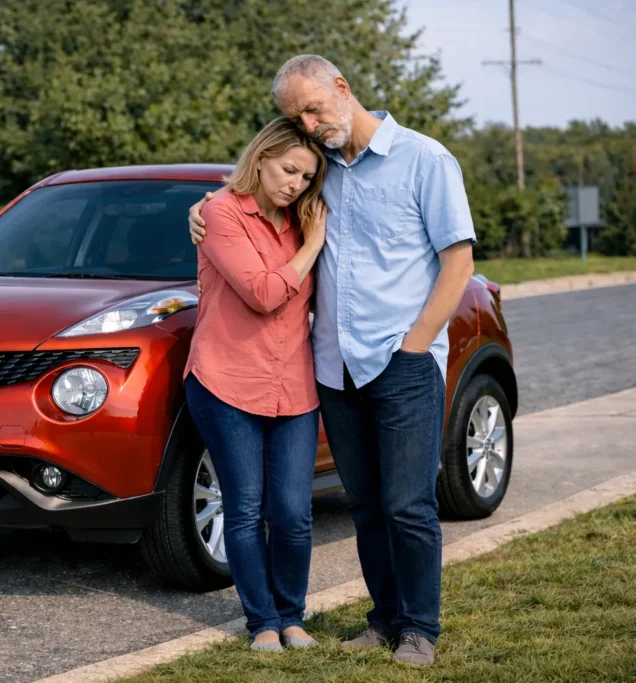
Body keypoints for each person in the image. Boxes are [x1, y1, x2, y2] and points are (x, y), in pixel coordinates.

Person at [189, 55, 476, 666]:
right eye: (297, 117)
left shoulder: (425, 160)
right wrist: (202, 206)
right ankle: (383, 618)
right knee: (367, 504)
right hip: (333, 368)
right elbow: (252, 195)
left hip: (402, 360)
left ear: (342, 88)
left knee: (409, 504)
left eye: (314, 108)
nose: (310, 124)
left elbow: (459, 265)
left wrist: (416, 344)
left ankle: (419, 628)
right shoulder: (321, 173)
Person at [183, 117, 328, 652]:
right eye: (289, 169)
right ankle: (262, 622)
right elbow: (263, 293)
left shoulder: (301, 216)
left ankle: (292, 617)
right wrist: (312, 245)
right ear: (262, 157)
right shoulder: (221, 212)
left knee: (292, 511)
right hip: (225, 379)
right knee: (244, 507)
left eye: (307, 177)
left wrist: (309, 231)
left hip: (293, 382)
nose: (295, 183)